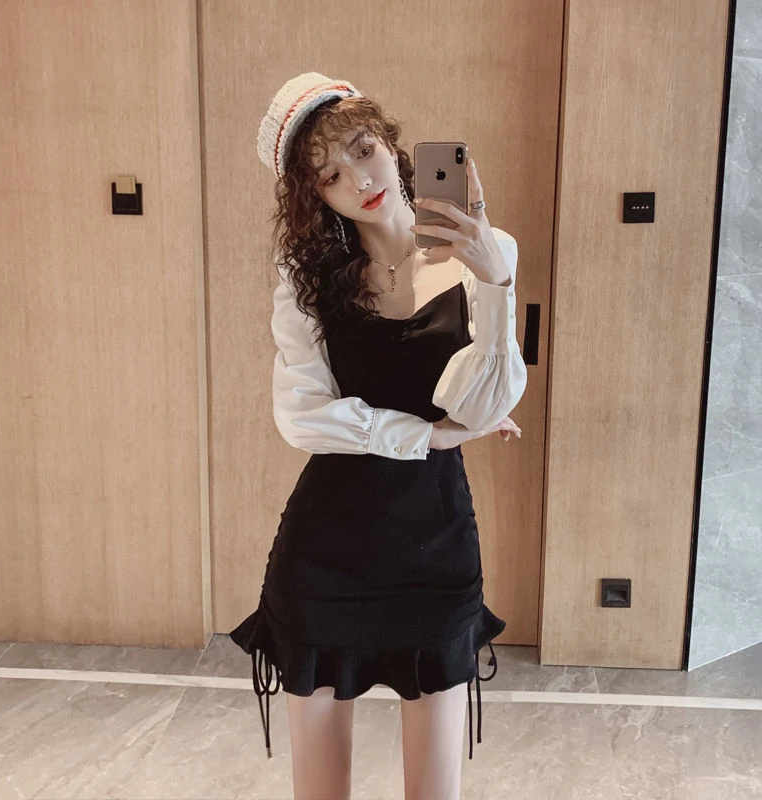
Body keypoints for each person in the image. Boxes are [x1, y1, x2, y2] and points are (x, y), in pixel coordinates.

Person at [229, 71, 527, 800]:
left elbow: (486, 405)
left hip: (435, 541)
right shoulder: (308, 280)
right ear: (315, 198)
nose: (359, 179)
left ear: (393, 146)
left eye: (363, 150)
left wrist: (496, 285)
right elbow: (301, 414)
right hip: (326, 550)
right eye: (330, 175)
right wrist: (426, 436)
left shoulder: (487, 253)